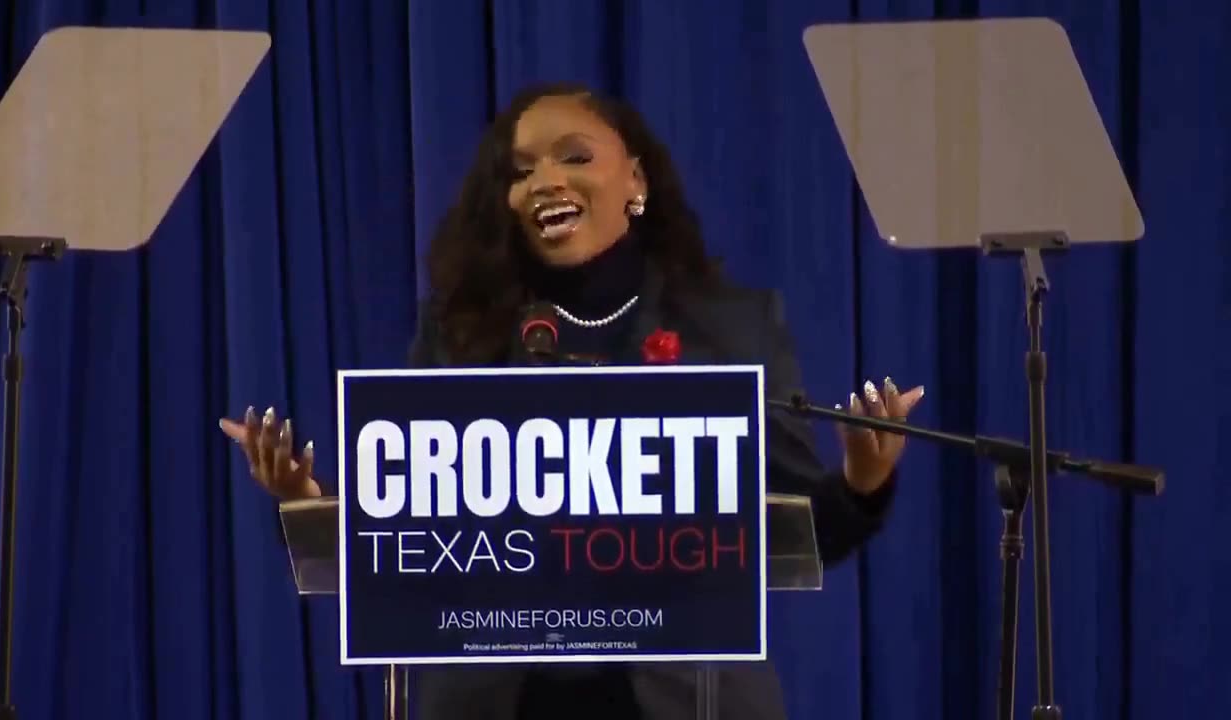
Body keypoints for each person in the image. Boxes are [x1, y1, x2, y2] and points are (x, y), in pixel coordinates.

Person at [219, 82, 924, 720]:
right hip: (493, 699)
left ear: (635, 181)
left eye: (573, 157)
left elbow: (796, 534)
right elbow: (411, 541)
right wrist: (307, 500)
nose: (544, 182)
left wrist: (861, 484)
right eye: (521, 172)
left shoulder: (730, 328)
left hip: (688, 700)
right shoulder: (463, 336)